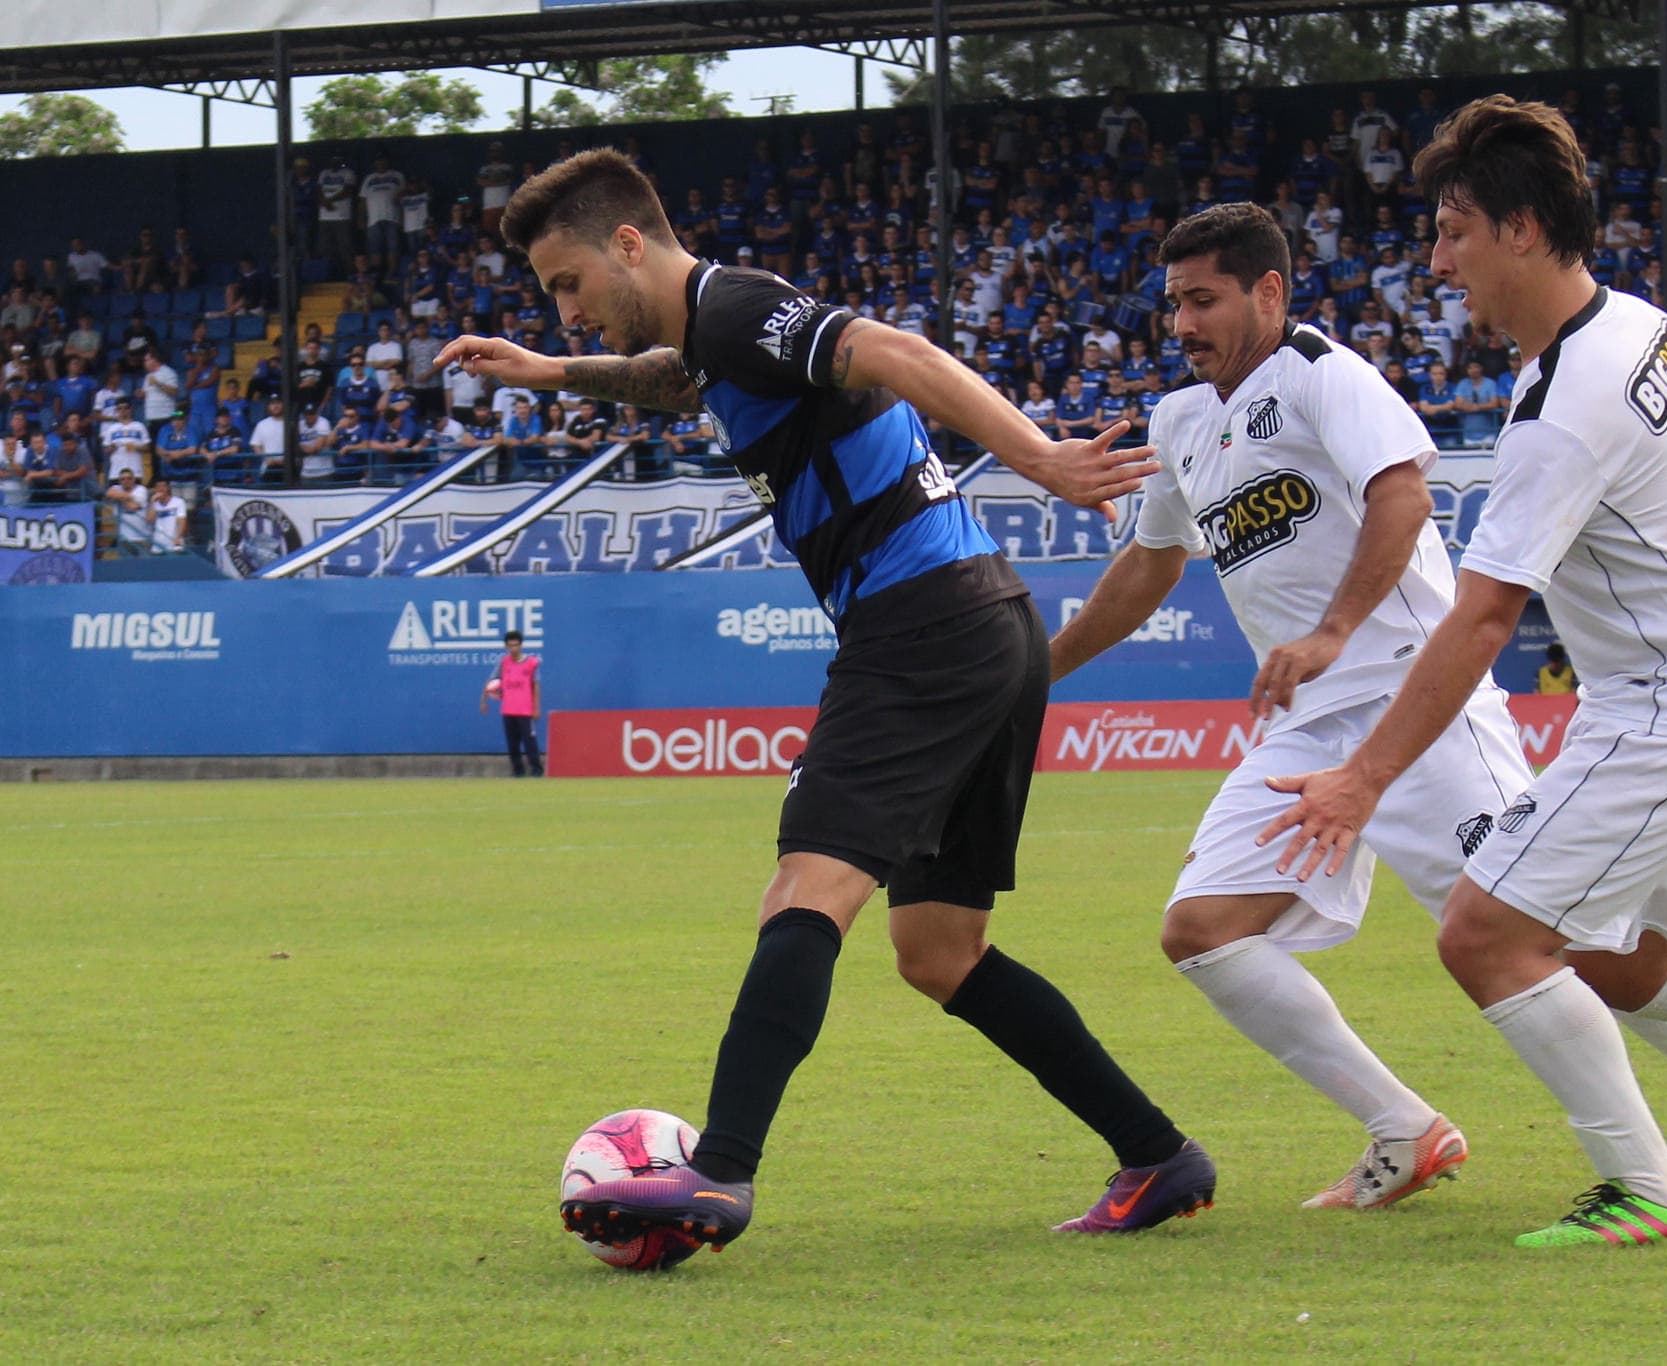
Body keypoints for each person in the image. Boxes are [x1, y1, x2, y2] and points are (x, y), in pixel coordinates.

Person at [436, 148, 1208, 1254]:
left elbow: (890, 352)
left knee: (803, 888)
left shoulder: (740, 304)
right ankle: (1156, 1153)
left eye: (566, 284)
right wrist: (551, 371)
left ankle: (719, 1174)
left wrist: (1039, 457)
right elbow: (678, 380)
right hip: (982, 625)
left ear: (625, 244)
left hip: (921, 627)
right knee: (938, 949)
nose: (563, 305)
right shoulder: (710, 337)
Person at [1052, 202, 1667, 1216]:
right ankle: (1404, 1128)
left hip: (1419, 712)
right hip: (1304, 729)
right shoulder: (1178, 423)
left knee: (1564, 940)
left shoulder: (1324, 375)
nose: (1182, 326)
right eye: (1172, 306)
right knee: (1202, 927)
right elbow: (1147, 564)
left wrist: (1336, 628)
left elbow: (1402, 498)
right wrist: (1033, 672)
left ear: (1266, 290)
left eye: (1202, 301)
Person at [1259, 95, 1667, 1247]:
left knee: (1482, 935)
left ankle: (1646, 1185)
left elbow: (1481, 615)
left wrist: (1359, 778)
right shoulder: (1638, 326)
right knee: (1637, 962)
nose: (1436, 258)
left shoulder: (1562, 405)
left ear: (1517, 229)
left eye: (1452, 230)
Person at [481, 628, 543, 776]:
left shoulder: (531, 663)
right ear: (506, 646)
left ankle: (536, 770)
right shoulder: (504, 662)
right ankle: (518, 772)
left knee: (530, 743)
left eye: (516, 645)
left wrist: (536, 708)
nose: (513, 648)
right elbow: (492, 681)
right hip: (508, 710)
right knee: (512, 744)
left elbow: (536, 685)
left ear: (521, 645)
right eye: (510, 645)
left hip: (525, 710)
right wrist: (484, 700)